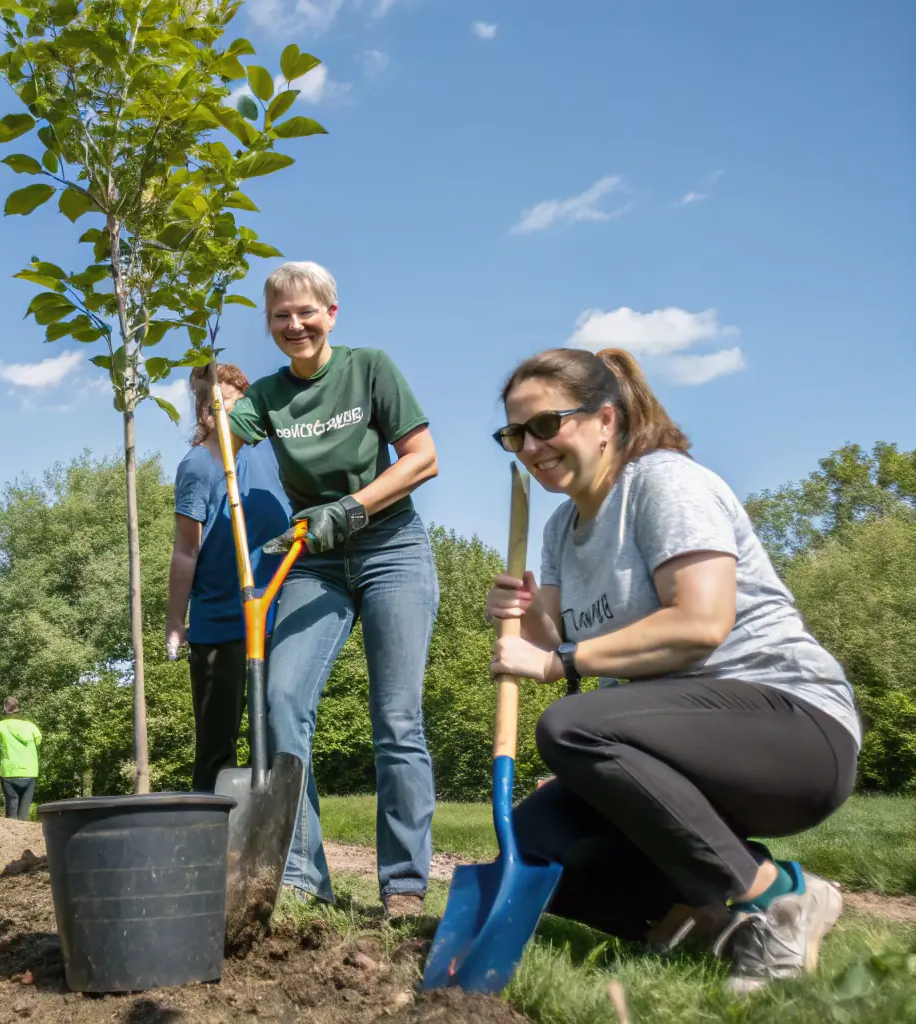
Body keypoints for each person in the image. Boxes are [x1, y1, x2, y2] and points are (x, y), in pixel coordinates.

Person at [485, 346, 861, 995]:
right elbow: (556, 634)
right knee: (535, 842)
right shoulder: (556, 529)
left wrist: (558, 668)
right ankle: (714, 928)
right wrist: (520, 613)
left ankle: (775, 897)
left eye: (545, 425)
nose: (529, 446)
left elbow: (698, 624)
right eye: (514, 433)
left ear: (605, 419)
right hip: (682, 739)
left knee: (569, 724)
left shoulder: (662, 483)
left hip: (790, 725)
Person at [224, 261, 440, 918]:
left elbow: (423, 459)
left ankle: (403, 885)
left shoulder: (368, 368)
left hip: (389, 547)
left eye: (305, 312)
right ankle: (298, 876)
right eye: (279, 316)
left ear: (330, 313)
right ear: (268, 325)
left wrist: (348, 510)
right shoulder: (264, 396)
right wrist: (213, 411)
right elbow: (218, 451)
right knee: (282, 700)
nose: (294, 325)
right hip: (311, 558)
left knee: (395, 719)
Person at [165, 362, 291, 792]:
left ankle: (279, 846)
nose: (221, 412)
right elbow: (186, 551)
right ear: (202, 412)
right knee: (216, 746)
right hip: (218, 623)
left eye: (236, 402)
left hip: (279, 617)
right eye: (213, 403)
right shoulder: (198, 467)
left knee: (279, 739)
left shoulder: (272, 454)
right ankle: (210, 843)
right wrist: (175, 621)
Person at [0, 698, 43, 820]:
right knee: (24, 812)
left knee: (11, 809)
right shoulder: (31, 726)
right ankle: (22, 835)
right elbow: (38, 741)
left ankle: (11, 833)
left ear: (5, 711)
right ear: (17, 711)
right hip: (30, 771)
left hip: (9, 771)